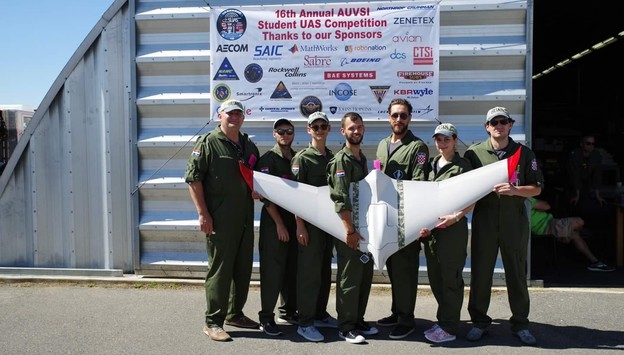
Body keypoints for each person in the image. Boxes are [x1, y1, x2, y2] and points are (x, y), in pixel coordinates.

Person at [464, 106, 544, 346]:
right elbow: (464, 190)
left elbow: (537, 188)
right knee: (481, 274)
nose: (498, 126)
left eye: (503, 121)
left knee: (517, 274)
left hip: (514, 224)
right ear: (487, 127)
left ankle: (520, 323)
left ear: (511, 124)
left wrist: (515, 190)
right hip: (485, 223)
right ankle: (479, 322)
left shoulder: (523, 153)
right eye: (494, 122)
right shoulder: (474, 154)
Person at [184, 99, 261, 342]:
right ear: (220, 116)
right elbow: (193, 179)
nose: (234, 118)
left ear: (243, 117)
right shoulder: (208, 143)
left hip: (245, 219)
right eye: (230, 114)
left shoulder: (248, 145)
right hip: (220, 219)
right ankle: (212, 321)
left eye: (238, 114)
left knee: (242, 268)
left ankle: (234, 313)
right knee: (220, 270)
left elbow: (255, 177)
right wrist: (203, 213)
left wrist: (258, 190)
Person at [375, 98, 429, 340]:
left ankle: (407, 319)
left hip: (406, 220)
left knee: (406, 270)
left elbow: (419, 186)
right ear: (389, 117)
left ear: (410, 118)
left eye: (403, 115)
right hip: (386, 218)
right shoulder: (382, 144)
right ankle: (397, 312)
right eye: (395, 115)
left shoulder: (418, 147)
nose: (399, 119)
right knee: (394, 268)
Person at [419, 123, 474, 343]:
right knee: (436, 278)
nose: (442, 143)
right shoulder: (431, 165)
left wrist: (457, 216)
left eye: (447, 139)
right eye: (439, 139)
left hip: (452, 230)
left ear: (455, 140)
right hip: (432, 231)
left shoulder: (463, 166)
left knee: (451, 279)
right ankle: (444, 319)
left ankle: (449, 327)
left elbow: (472, 197)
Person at [327, 112, 378, 344]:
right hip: (350, 231)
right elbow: (340, 198)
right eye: (351, 128)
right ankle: (345, 326)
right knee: (349, 278)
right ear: (343, 131)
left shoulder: (361, 158)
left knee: (363, 275)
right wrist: (349, 230)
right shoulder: (341, 161)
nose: (356, 131)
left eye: (359, 127)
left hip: (363, 229)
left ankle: (358, 319)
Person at [291, 111, 338, 342]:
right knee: (309, 274)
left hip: (328, 225)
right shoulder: (302, 158)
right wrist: (300, 226)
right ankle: (305, 322)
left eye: (323, 126)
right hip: (309, 225)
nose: (319, 130)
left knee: (323, 271)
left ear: (328, 129)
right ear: (308, 130)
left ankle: (319, 314)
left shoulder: (333, 157)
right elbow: (296, 196)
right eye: (315, 126)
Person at [255, 118, 299, 336]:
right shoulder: (267, 160)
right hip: (275, 223)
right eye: (280, 131)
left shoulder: (297, 157)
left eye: (288, 131)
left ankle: (288, 311)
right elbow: (264, 196)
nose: (285, 134)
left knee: (292, 269)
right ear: (274, 134)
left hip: (294, 221)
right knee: (273, 271)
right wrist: (280, 224)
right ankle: (266, 318)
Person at [529, 197, 615, 272]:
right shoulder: (526, 199)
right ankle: (580, 231)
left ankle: (595, 262)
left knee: (575, 235)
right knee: (579, 221)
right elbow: (546, 206)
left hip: (549, 223)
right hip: (546, 225)